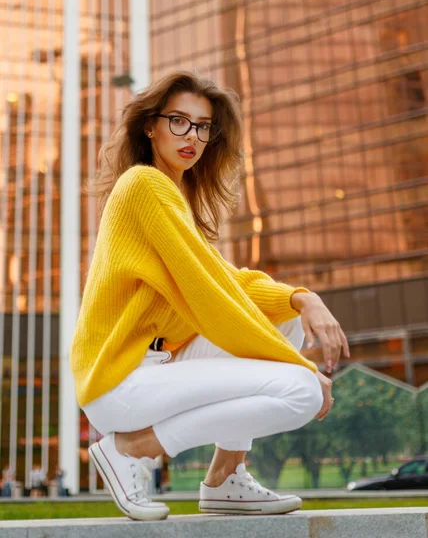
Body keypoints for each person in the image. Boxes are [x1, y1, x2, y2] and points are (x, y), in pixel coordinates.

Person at [70, 70, 350, 522]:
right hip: (121, 379)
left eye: (202, 126)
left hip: (158, 366)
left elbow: (228, 281)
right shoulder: (144, 185)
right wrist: (301, 368)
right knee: (301, 393)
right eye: (178, 121)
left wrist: (304, 299)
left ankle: (225, 479)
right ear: (150, 126)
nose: (193, 136)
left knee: (286, 316)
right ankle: (131, 449)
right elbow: (211, 297)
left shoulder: (173, 194)